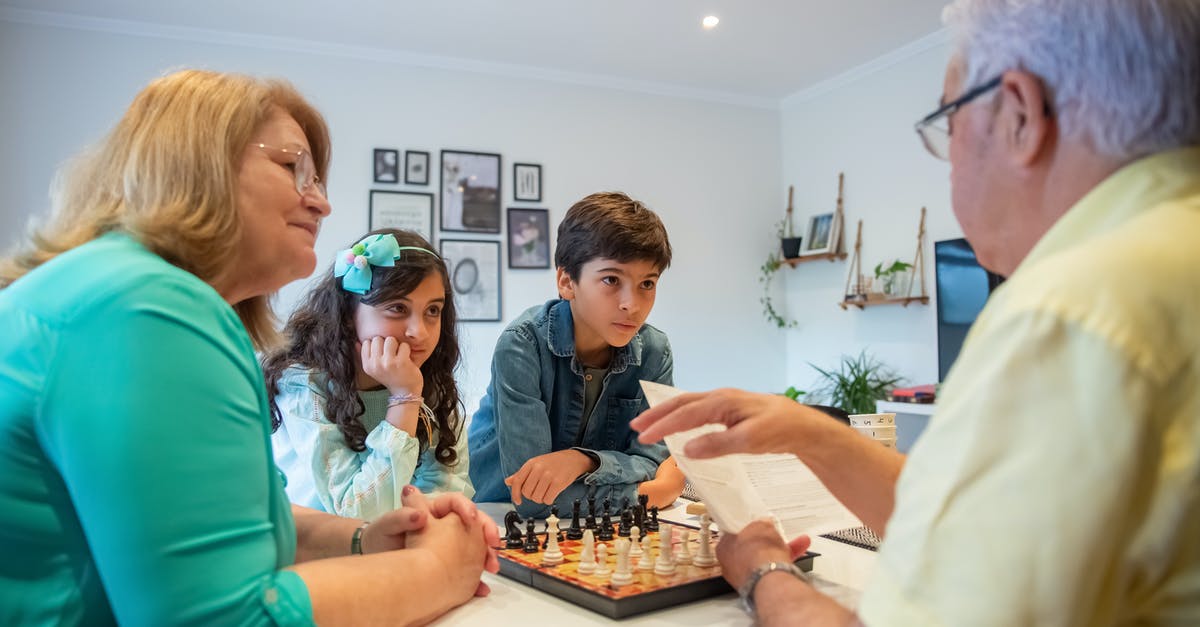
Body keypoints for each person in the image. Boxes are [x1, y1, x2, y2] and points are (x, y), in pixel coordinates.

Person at [632, 0, 1200, 624]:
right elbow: (974, 527)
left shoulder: (1071, 310)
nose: (950, 160)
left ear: (1019, 113)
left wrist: (765, 571)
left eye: (949, 121)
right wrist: (809, 430)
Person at [0, 69, 497, 626]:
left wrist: (362, 539)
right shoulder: (145, 308)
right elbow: (222, 618)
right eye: (293, 168)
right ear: (194, 165)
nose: (322, 203)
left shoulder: (131, 294)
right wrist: (437, 573)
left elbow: (226, 523)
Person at [468, 191, 682, 518]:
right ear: (567, 281)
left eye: (647, 284)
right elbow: (531, 498)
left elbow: (652, 459)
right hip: (496, 516)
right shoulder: (521, 345)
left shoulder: (655, 351)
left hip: (587, 524)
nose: (632, 304)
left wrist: (582, 459)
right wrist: (651, 494)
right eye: (611, 279)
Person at [264, 228, 473, 520]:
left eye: (433, 310)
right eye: (398, 308)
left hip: (399, 555)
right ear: (348, 314)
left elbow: (448, 499)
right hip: (321, 557)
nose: (419, 332)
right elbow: (359, 513)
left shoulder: (432, 388)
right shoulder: (304, 386)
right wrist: (404, 400)